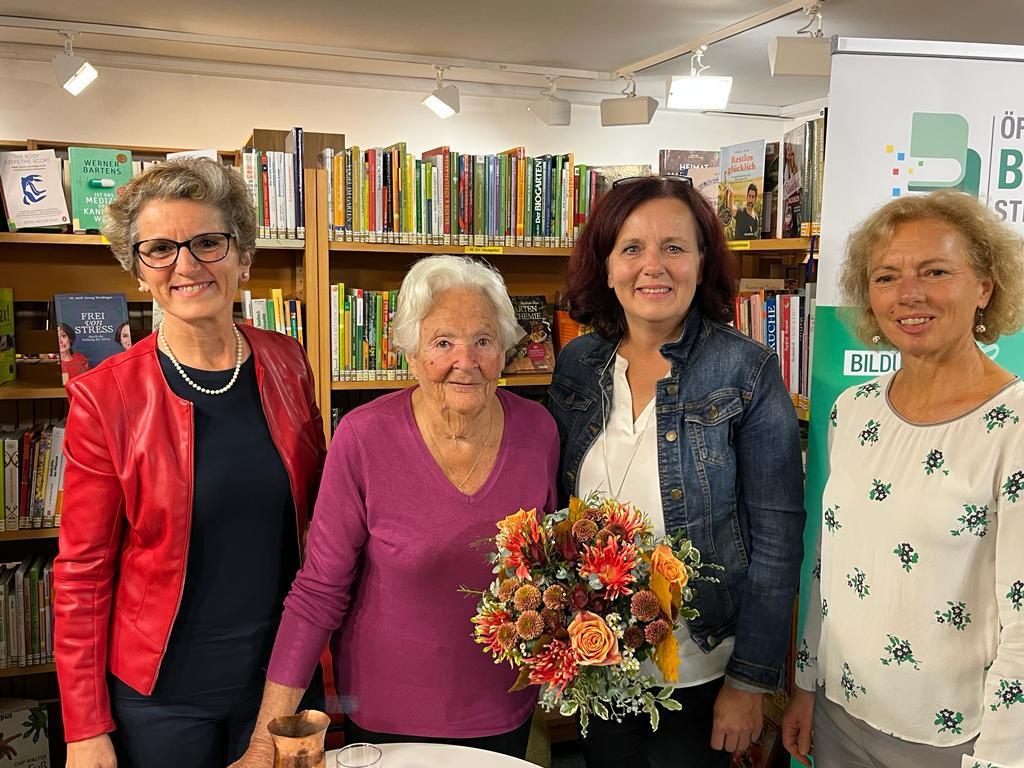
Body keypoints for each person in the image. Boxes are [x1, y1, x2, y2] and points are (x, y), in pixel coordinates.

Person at [231, 255, 560, 767]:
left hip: (503, 705)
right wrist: (263, 739)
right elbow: (318, 591)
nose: (465, 361)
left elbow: (547, 573)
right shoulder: (363, 436)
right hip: (387, 715)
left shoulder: (539, 430)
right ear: (410, 352)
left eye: (483, 340)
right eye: (443, 342)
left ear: (504, 350)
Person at [54, 158, 326, 768]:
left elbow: (323, 516)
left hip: (281, 680)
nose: (186, 265)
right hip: (161, 699)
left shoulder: (287, 362)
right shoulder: (105, 396)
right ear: (138, 270)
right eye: (160, 249)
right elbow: (81, 573)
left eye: (207, 242)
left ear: (242, 256)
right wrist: (84, 728)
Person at [548, 175, 805, 767]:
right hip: (601, 666)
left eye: (674, 247)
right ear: (606, 266)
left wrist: (750, 682)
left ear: (702, 261)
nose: (653, 267)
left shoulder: (747, 370)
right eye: (632, 248)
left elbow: (776, 540)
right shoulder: (578, 365)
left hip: (704, 669)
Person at [782, 190, 1024, 768]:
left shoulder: (1013, 426)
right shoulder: (854, 409)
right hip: (840, 714)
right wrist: (806, 683)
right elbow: (829, 565)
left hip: (951, 739)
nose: (908, 294)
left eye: (935, 271)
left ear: (985, 287)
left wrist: (1000, 756)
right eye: (886, 277)